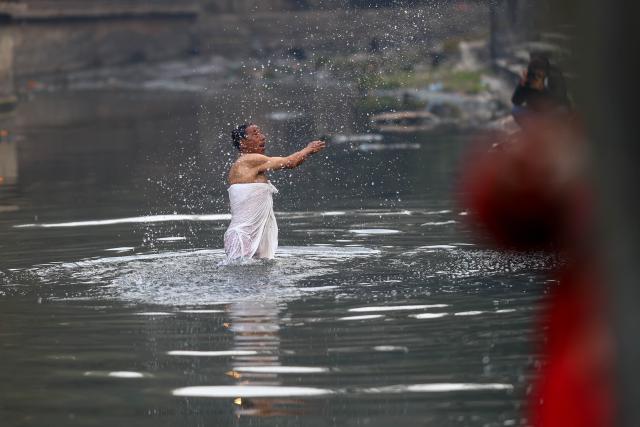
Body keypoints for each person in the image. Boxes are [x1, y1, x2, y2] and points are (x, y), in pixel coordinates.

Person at [224, 123, 325, 261]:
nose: (263, 137)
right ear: (242, 143)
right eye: (255, 134)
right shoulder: (249, 160)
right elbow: (290, 162)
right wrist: (308, 149)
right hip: (242, 237)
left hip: (250, 235)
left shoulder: (247, 164)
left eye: (260, 133)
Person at [511, 55, 570, 127]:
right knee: (515, 110)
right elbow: (515, 101)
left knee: (563, 110)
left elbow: (561, 100)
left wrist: (543, 89)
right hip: (537, 113)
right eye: (534, 72)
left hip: (553, 111)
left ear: (546, 71)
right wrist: (522, 85)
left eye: (539, 73)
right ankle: (535, 129)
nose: (536, 75)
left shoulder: (554, 76)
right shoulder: (530, 77)